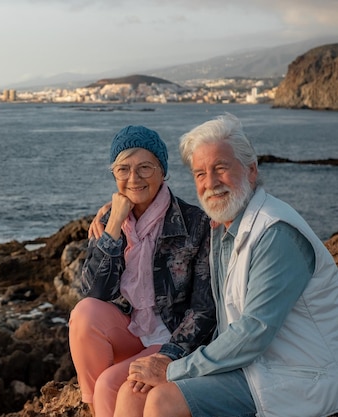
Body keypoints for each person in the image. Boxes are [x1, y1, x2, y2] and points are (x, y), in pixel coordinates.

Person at [111, 113, 338, 417]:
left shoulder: (276, 233)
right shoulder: (224, 226)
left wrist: (173, 369)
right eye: (200, 174)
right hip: (250, 367)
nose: (211, 183)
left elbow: (253, 331)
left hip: (296, 376)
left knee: (163, 400)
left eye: (221, 168)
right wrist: (116, 216)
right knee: (132, 392)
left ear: (252, 170)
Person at [68, 125, 216, 417]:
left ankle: (104, 404)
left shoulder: (195, 223)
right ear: (114, 174)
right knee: (84, 313)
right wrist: (112, 231)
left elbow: (204, 309)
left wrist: (170, 354)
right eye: (123, 169)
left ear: (163, 171)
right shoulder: (111, 220)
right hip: (131, 331)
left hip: (171, 335)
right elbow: (93, 293)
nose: (133, 178)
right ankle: (95, 408)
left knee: (111, 383)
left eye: (145, 167)